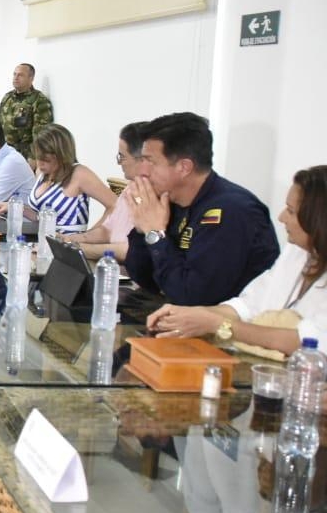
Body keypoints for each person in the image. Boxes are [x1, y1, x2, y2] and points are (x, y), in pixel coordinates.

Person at [147, 166, 327, 356]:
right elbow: (248, 305)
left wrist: (217, 324)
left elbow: (307, 341)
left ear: (318, 220)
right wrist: (187, 316)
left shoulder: (234, 207)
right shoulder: (297, 252)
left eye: (291, 211)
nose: (281, 218)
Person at [124, 112, 279, 306]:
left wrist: (155, 234)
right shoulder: (168, 202)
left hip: (227, 329)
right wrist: (143, 229)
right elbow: (145, 279)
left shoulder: (231, 210)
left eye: (151, 162)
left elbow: (194, 297)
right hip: (181, 318)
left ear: (184, 167)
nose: (142, 171)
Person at [0, 123, 116, 234]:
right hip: (41, 242)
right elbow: (41, 217)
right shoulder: (43, 173)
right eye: (38, 157)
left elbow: (116, 206)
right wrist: (15, 207)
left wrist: (89, 236)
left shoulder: (79, 174)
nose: (40, 164)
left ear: (62, 155)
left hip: (67, 248)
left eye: (46, 160)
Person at [65, 122, 148, 260]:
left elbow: (129, 250)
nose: (118, 162)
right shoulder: (130, 188)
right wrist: (70, 239)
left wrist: (83, 250)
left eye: (122, 156)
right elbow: (107, 230)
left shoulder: (155, 196)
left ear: (141, 159)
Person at [0, 63, 53, 165]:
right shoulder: (7, 97)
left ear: (31, 78)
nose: (16, 78)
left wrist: (34, 158)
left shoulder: (39, 100)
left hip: (24, 157)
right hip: (3, 154)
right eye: (14, 74)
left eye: (20, 75)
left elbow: (41, 134)